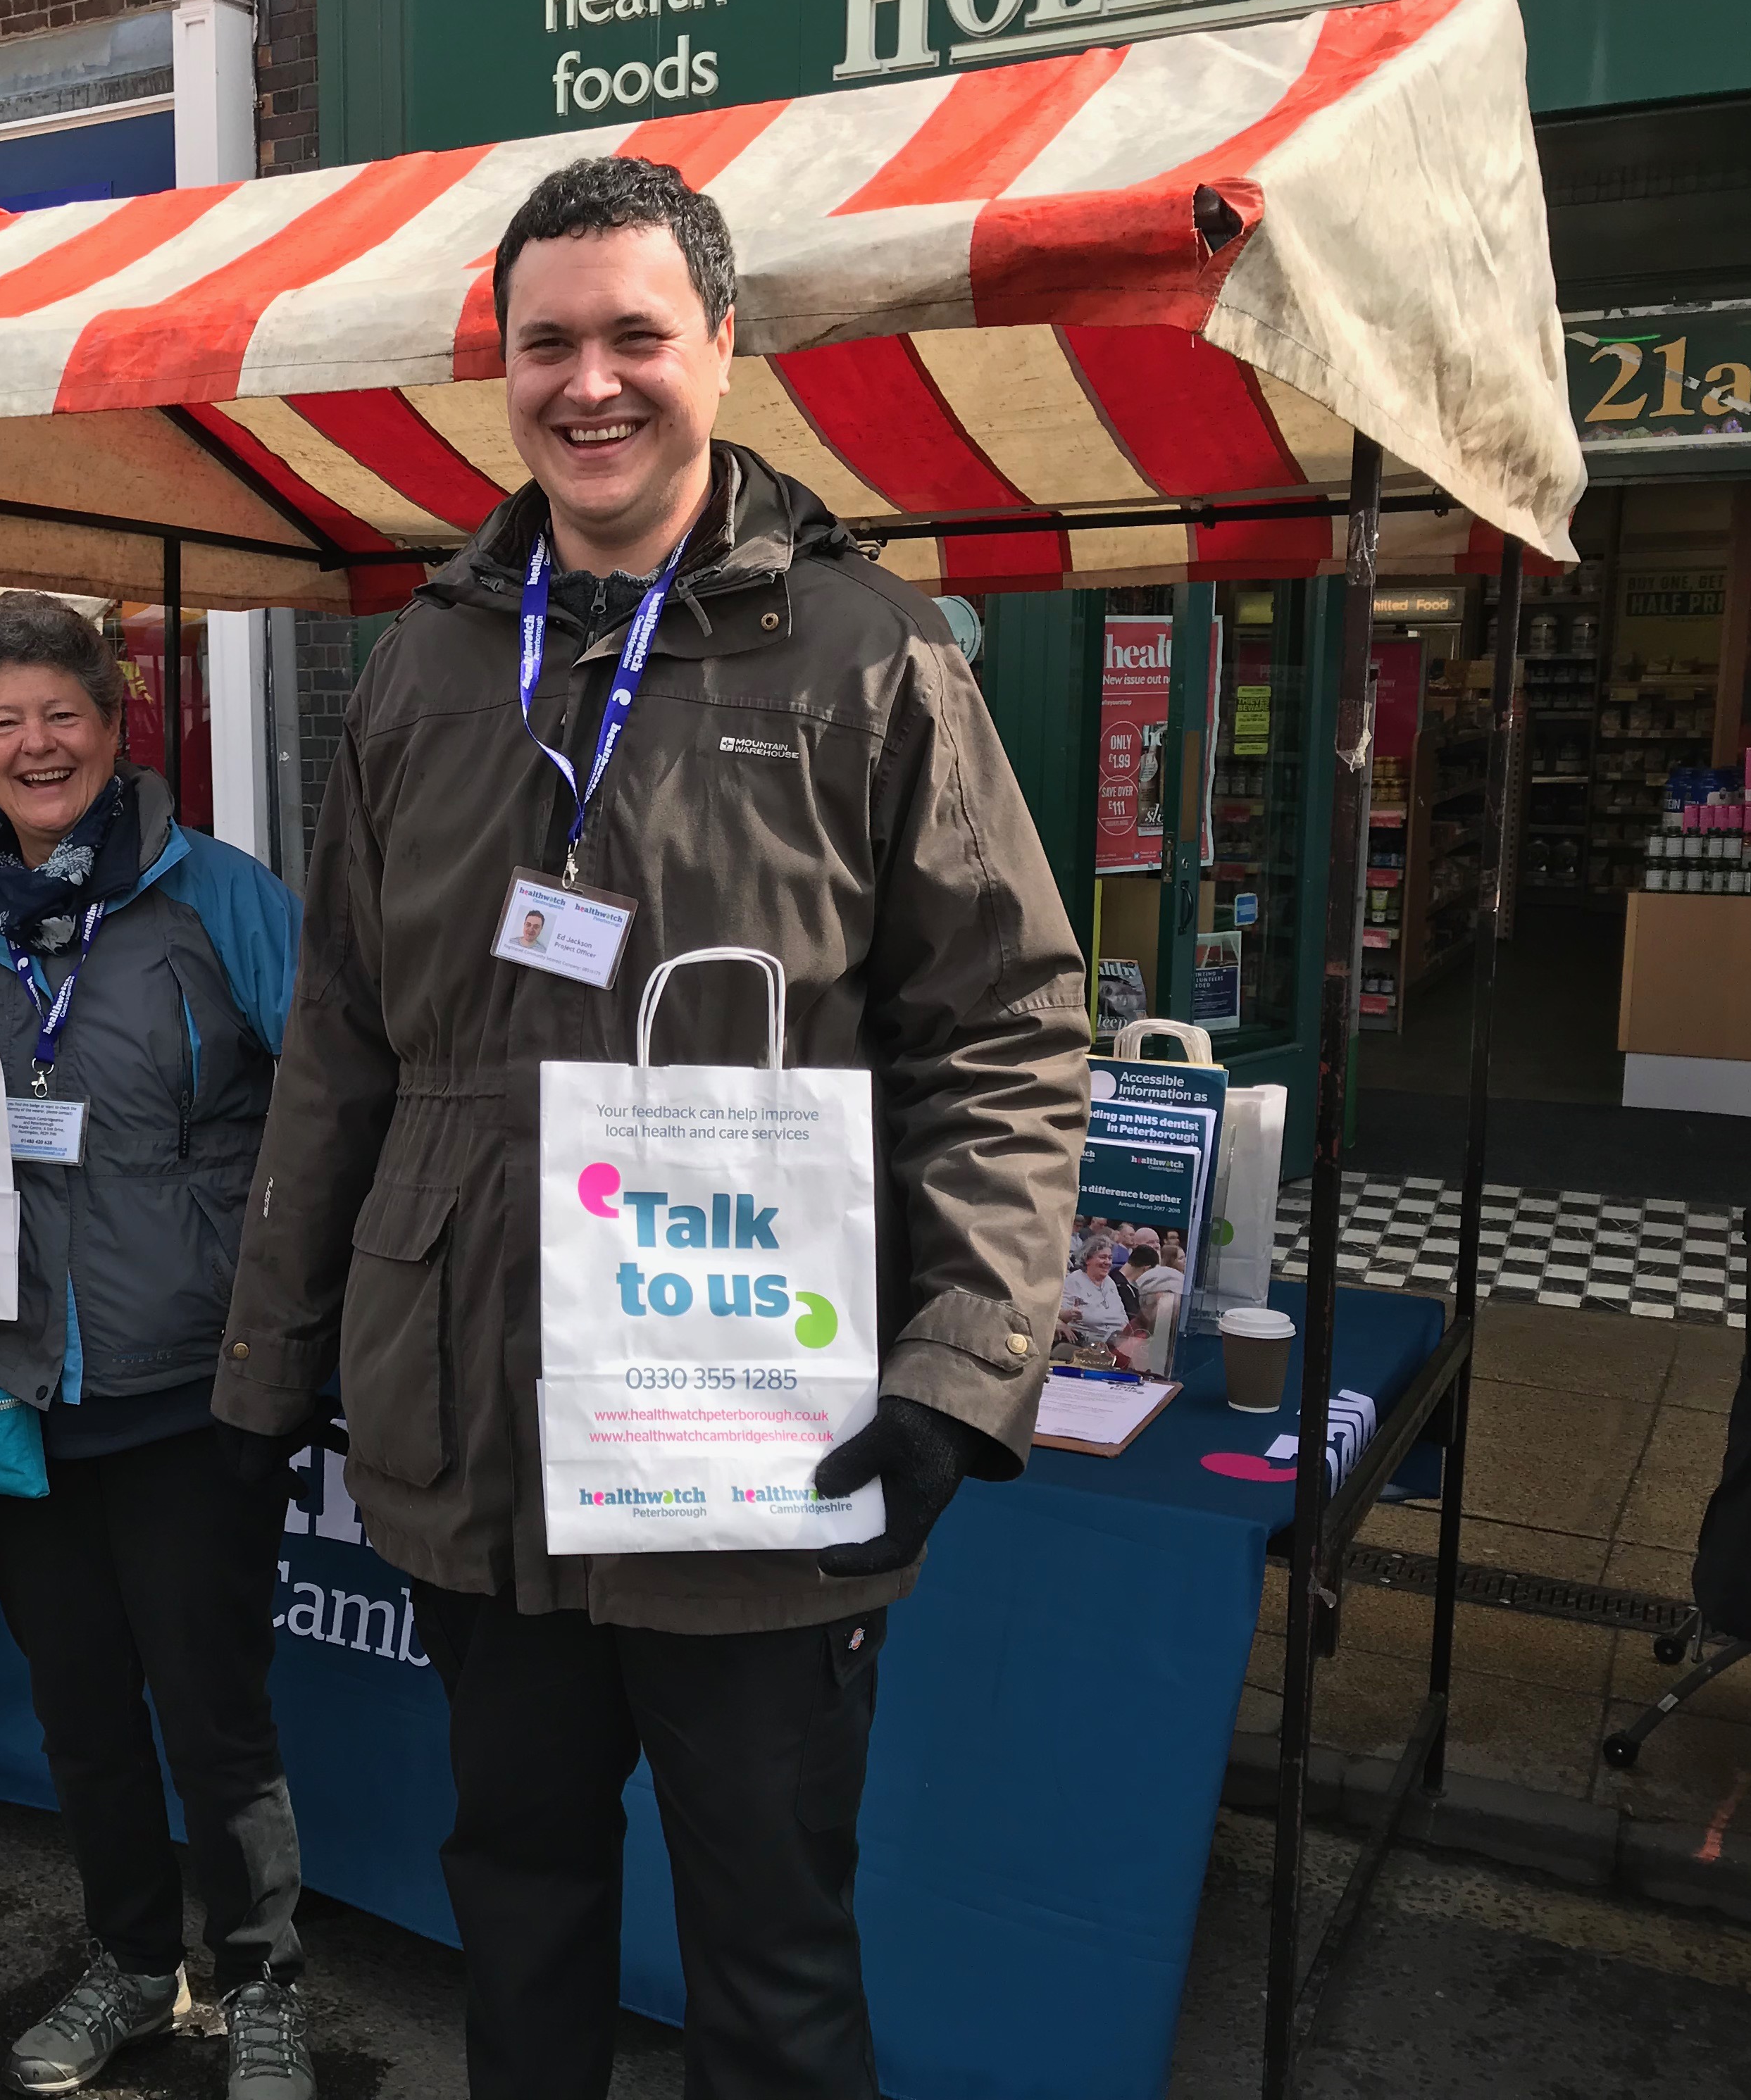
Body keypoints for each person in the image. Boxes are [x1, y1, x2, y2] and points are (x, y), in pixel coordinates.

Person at [211, 156, 1087, 2098]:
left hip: (749, 1428)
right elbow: (343, 1038)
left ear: (723, 350)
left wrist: (958, 1366)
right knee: (512, 1901)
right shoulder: (425, 661)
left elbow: (1010, 1032)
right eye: (547, 344)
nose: (589, 383)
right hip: (474, 1424)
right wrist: (269, 1370)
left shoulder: (872, 656)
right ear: (497, 369)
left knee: (770, 1948)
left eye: (635, 337)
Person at [0, 591, 316, 2100]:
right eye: (3, 722)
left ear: (114, 723)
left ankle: (263, 1975)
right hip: (10, 1378)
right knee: (78, 1710)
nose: (35, 743)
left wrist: (293, 1311)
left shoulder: (221, 896)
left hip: (189, 1374)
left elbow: (327, 1090)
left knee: (213, 1709)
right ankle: (137, 1966)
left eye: (60, 713)